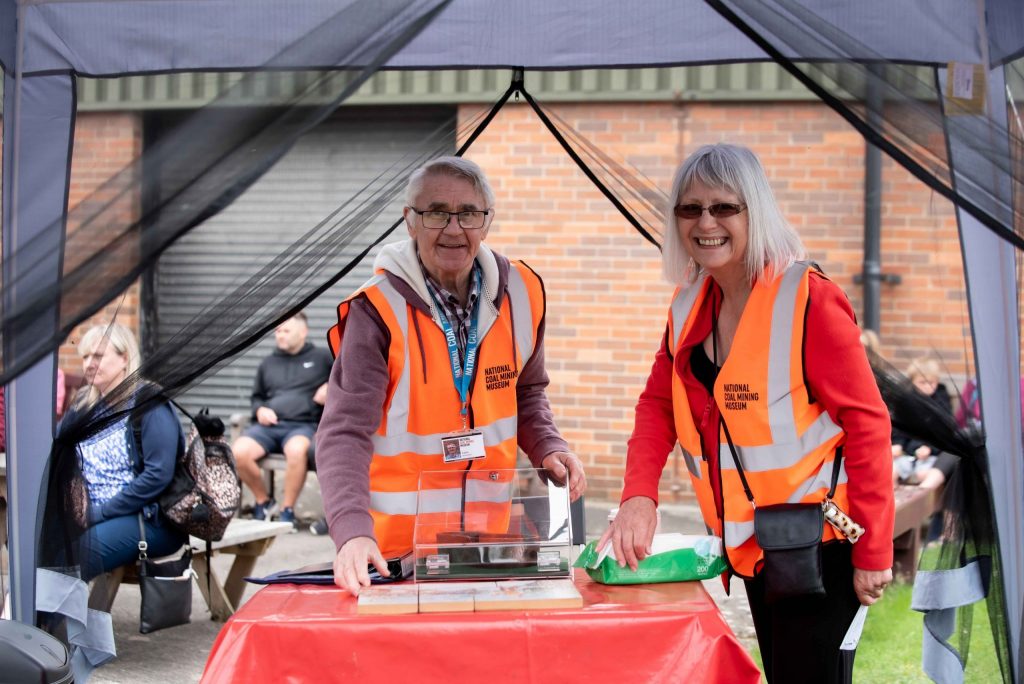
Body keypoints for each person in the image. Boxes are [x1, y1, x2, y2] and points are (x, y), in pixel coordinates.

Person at [598, 143, 894, 683]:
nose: (705, 222)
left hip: (821, 547)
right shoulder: (690, 302)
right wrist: (638, 495)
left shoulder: (808, 298)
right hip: (758, 547)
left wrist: (874, 550)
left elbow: (868, 424)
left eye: (723, 207)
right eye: (690, 209)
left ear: (754, 210)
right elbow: (658, 404)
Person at [317, 156, 586, 595]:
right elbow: (343, 433)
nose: (454, 228)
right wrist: (351, 531)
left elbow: (528, 392)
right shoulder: (376, 311)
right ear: (410, 221)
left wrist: (549, 445)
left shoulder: (523, 293)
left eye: (468, 214)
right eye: (436, 212)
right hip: (395, 561)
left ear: (487, 221)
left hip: (487, 552)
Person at [65, 323, 187, 581]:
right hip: (89, 512)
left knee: (73, 557)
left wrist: (99, 513)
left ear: (124, 358)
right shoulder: (85, 404)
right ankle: (23, 618)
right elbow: (57, 450)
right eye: (85, 357)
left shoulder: (149, 403)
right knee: (32, 544)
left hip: (148, 518)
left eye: (97, 356)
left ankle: (39, 621)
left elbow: (158, 475)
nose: (88, 364)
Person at [232, 311, 332, 528]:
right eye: (277, 331)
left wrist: (330, 388)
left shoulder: (322, 357)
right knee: (238, 452)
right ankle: (264, 501)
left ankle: (287, 510)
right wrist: (260, 411)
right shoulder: (268, 363)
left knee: (297, 452)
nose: (280, 335)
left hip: (303, 426)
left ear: (303, 332)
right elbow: (257, 397)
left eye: (286, 330)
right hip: (268, 427)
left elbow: (346, 378)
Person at [891, 356, 957, 490]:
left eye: (931, 383)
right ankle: (894, 503)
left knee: (923, 475)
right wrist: (897, 444)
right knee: (890, 472)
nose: (928, 387)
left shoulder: (941, 401)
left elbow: (945, 430)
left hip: (931, 456)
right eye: (922, 383)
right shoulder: (906, 400)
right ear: (913, 381)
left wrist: (929, 447)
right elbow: (899, 427)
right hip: (906, 454)